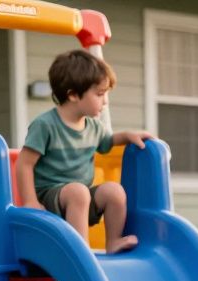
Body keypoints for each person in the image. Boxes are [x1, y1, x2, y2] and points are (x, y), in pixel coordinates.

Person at [16, 49, 152, 254]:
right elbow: (24, 163)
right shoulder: (45, 125)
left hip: (80, 200)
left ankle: (113, 242)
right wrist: (30, 201)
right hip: (50, 202)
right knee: (78, 192)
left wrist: (128, 136)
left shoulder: (94, 127)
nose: (105, 101)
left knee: (114, 191)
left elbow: (108, 141)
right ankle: (80, 252)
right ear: (72, 94)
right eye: (99, 94)